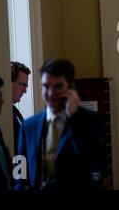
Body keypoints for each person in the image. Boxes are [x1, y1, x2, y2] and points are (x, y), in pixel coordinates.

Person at [16, 58, 106, 190]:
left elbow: (93, 160)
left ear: (70, 87)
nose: (51, 93)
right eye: (46, 86)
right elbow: (19, 168)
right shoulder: (28, 126)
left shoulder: (92, 121)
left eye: (58, 86)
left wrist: (73, 118)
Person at [11, 61, 31, 151]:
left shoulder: (14, 111)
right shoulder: (1, 113)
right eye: (22, 85)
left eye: (26, 86)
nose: (25, 91)